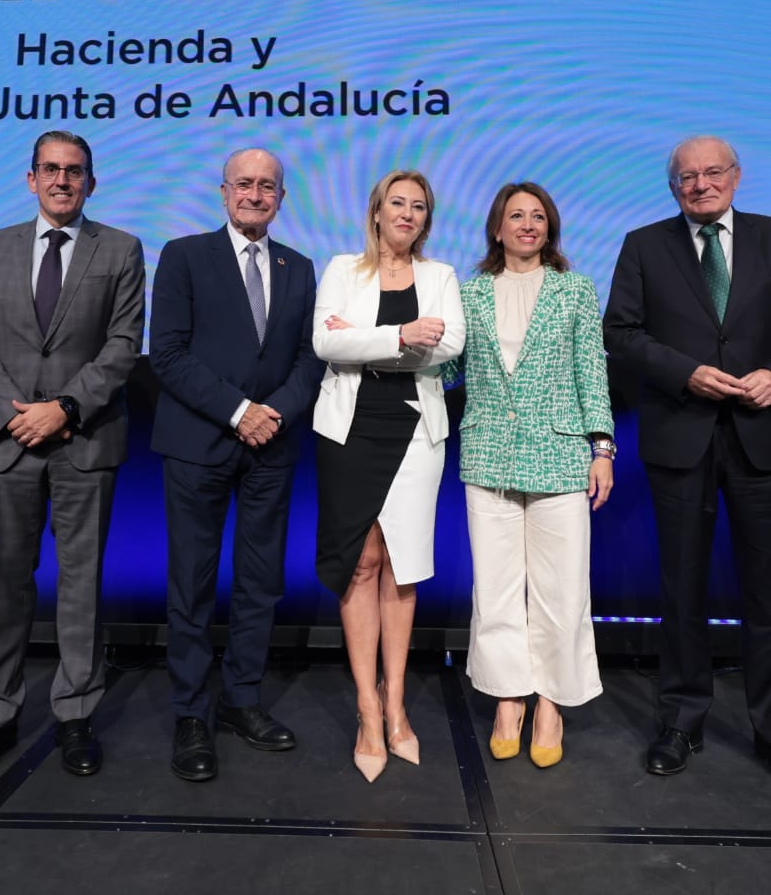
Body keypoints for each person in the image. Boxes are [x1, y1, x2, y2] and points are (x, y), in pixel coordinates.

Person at [603, 136, 771, 796]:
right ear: (672, 186)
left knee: (770, 596)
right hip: (682, 434)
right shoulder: (644, 243)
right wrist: (686, 373)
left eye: (712, 172)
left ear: (736, 176)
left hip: (762, 434)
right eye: (686, 177)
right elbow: (620, 332)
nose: (700, 184)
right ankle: (680, 722)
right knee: (681, 591)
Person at [0, 130, 145, 787]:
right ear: (30, 178)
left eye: (75, 170)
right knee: (5, 584)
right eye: (51, 169)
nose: (63, 180)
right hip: (6, 444)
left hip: (84, 439)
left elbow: (122, 345)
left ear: (92, 181)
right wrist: (16, 414)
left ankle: (76, 714)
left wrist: (63, 407)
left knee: (80, 586)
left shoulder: (121, 248)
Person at [149, 148, 324, 782]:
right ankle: (192, 713)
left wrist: (270, 414)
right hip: (199, 445)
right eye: (244, 184)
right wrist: (238, 411)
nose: (255, 194)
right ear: (223, 192)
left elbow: (312, 360)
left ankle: (242, 701)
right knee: (191, 586)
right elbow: (165, 354)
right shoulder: (183, 256)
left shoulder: (300, 268)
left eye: (267, 186)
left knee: (260, 583)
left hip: (271, 448)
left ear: (282, 197)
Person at [311, 170, 465, 782]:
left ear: (427, 219)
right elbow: (325, 343)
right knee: (362, 561)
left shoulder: (441, 276)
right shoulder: (343, 268)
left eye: (418, 206)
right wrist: (401, 335)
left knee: (402, 565)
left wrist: (364, 340)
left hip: (415, 432)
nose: (407, 213)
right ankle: (367, 710)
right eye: (396, 203)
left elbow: (450, 343)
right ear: (376, 212)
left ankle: (397, 702)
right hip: (350, 431)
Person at [456, 182, 614, 769]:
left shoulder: (575, 290)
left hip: (560, 452)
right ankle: (508, 701)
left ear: (550, 228)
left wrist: (602, 448)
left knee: (562, 590)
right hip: (489, 453)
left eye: (538, 216)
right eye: (516, 215)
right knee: (496, 590)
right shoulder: (469, 293)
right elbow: (447, 364)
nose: (527, 224)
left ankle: (551, 702)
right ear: (497, 227)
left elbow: (591, 373)